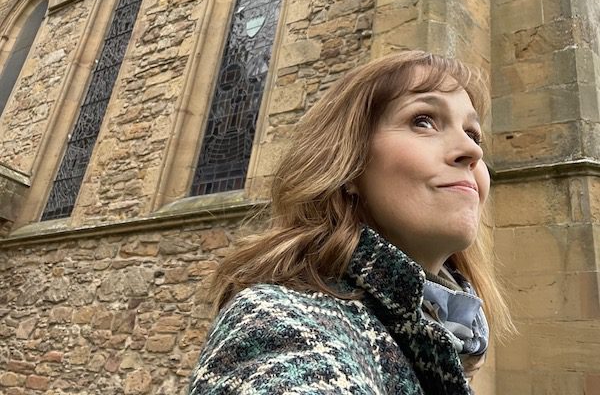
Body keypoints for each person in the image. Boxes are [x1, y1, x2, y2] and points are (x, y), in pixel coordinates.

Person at [188, 51, 514, 394]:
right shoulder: (281, 323)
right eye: (423, 120)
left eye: (474, 134)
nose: (472, 151)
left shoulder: (450, 341)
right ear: (350, 166)